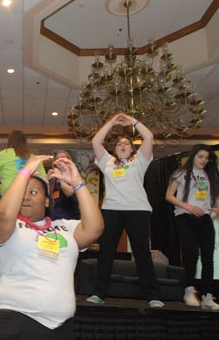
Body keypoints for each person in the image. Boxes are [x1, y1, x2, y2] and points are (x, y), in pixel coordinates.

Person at [0, 155, 103, 339]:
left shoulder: (64, 227)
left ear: (47, 200)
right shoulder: (7, 227)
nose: (25, 197)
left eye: (33, 192)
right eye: (21, 192)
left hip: (62, 327)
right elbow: (2, 216)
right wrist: (24, 173)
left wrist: (78, 183)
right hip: (17, 320)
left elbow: (95, 228)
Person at [86, 112, 164, 308]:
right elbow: (96, 141)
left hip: (138, 211)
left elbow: (149, 137)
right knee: (106, 253)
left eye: (126, 143)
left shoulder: (140, 161)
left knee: (142, 253)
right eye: (119, 143)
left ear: (132, 149)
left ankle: (153, 296)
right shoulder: (107, 162)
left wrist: (132, 121)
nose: (122, 145)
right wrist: (112, 121)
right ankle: (99, 294)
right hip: (112, 210)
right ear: (114, 149)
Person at [165, 144, 219, 309]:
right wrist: (188, 207)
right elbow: (169, 196)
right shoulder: (180, 173)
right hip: (185, 216)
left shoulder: (210, 174)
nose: (203, 160)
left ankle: (207, 296)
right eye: (200, 156)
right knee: (191, 251)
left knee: (208, 256)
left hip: (204, 217)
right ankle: (189, 289)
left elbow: (215, 195)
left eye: (206, 157)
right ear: (193, 156)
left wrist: (217, 207)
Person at [0, 130, 46, 204]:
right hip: (28, 194)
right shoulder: (33, 157)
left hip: (8, 193)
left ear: (9, 141)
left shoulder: (3, 154)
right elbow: (45, 182)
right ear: (25, 142)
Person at [48, 150, 80, 220]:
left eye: (63, 157)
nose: (60, 159)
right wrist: (46, 182)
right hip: (54, 220)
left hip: (70, 219)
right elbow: (46, 198)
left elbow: (69, 193)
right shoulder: (53, 179)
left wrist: (61, 177)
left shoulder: (74, 176)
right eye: (57, 158)